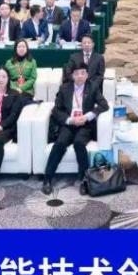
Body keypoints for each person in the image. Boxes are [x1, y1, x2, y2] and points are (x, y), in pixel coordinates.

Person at [40, 63, 109, 195]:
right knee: (59, 144)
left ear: (87, 75)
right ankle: (47, 179)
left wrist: (87, 116)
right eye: (76, 73)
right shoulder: (65, 88)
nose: (80, 76)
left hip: (85, 125)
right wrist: (69, 120)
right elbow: (56, 110)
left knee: (79, 144)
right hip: (69, 124)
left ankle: (84, 180)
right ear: (72, 76)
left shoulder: (93, 87)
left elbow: (104, 105)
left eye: (83, 73)